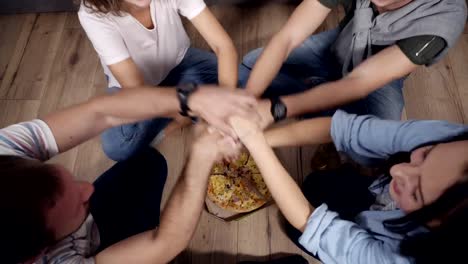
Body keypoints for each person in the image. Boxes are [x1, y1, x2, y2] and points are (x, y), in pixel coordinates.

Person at [0, 86, 252, 264]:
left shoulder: (5, 150)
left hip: (95, 231)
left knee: (147, 162)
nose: (89, 187)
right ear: (36, 255)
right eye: (77, 203)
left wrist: (190, 98)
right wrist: (200, 157)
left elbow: (100, 112)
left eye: (72, 180)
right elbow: (164, 244)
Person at [228, 110, 468, 263]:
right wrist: (253, 141)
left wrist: (254, 142)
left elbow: (313, 225)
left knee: (297, 231)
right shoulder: (455, 141)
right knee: (315, 184)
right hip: (373, 198)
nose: (398, 169)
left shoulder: (402, 259)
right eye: (426, 154)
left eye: (417, 193)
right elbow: (346, 129)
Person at [239, 0, 467, 124]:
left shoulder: (444, 18)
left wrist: (276, 109)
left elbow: (360, 82)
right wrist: (246, 102)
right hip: (340, 42)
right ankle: (321, 97)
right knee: (252, 63)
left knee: (375, 144)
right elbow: (287, 38)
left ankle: (325, 108)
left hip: (380, 74)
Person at [78, 0, 239, 161]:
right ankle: (184, 115)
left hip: (180, 62)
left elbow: (223, 46)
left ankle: (182, 113)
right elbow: (136, 89)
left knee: (235, 79)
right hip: (137, 90)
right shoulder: (92, 14)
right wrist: (193, 106)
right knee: (117, 146)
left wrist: (224, 109)